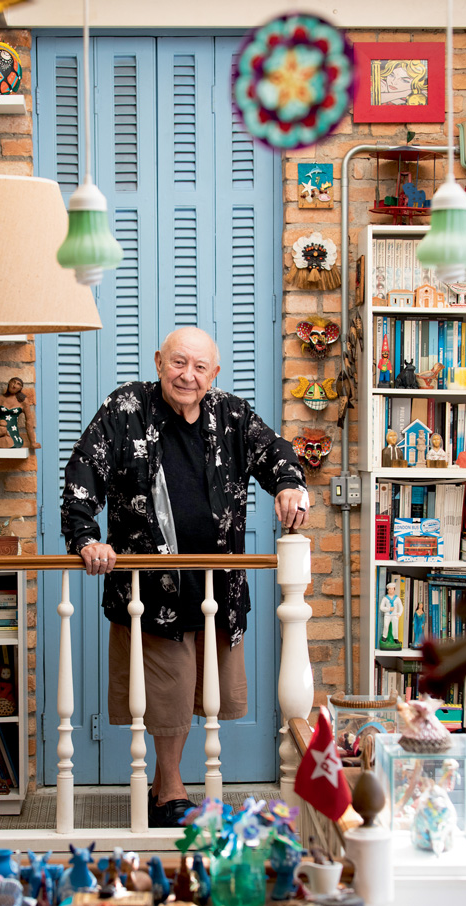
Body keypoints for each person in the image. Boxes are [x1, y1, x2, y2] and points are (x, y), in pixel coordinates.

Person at [61, 327, 310, 827]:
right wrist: (87, 539)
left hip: (220, 584)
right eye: (179, 363)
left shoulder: (233, 415)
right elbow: (84, 471)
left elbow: (276, 452)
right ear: (159, 362)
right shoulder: (125, 408)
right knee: (169, 690)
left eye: (200, 367)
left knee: (207, 692)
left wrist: (289, 485)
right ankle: (171, 791)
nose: (188, 376)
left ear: (213, 374)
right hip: (153, 586)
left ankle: (164, 786)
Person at [379, 582, 403, 650]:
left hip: (394, 615)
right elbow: (381, 607)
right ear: (388, 590)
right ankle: (384, 637)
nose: (390, 591)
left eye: (392, 589)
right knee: (386, 626)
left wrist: (399, 614)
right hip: (387, 615)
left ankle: (396, 638)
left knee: (395, 627)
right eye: (389, 589)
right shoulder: (385, 598)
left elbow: (401, 607)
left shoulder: (397, 598)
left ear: (394, 590)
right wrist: (388, 609)